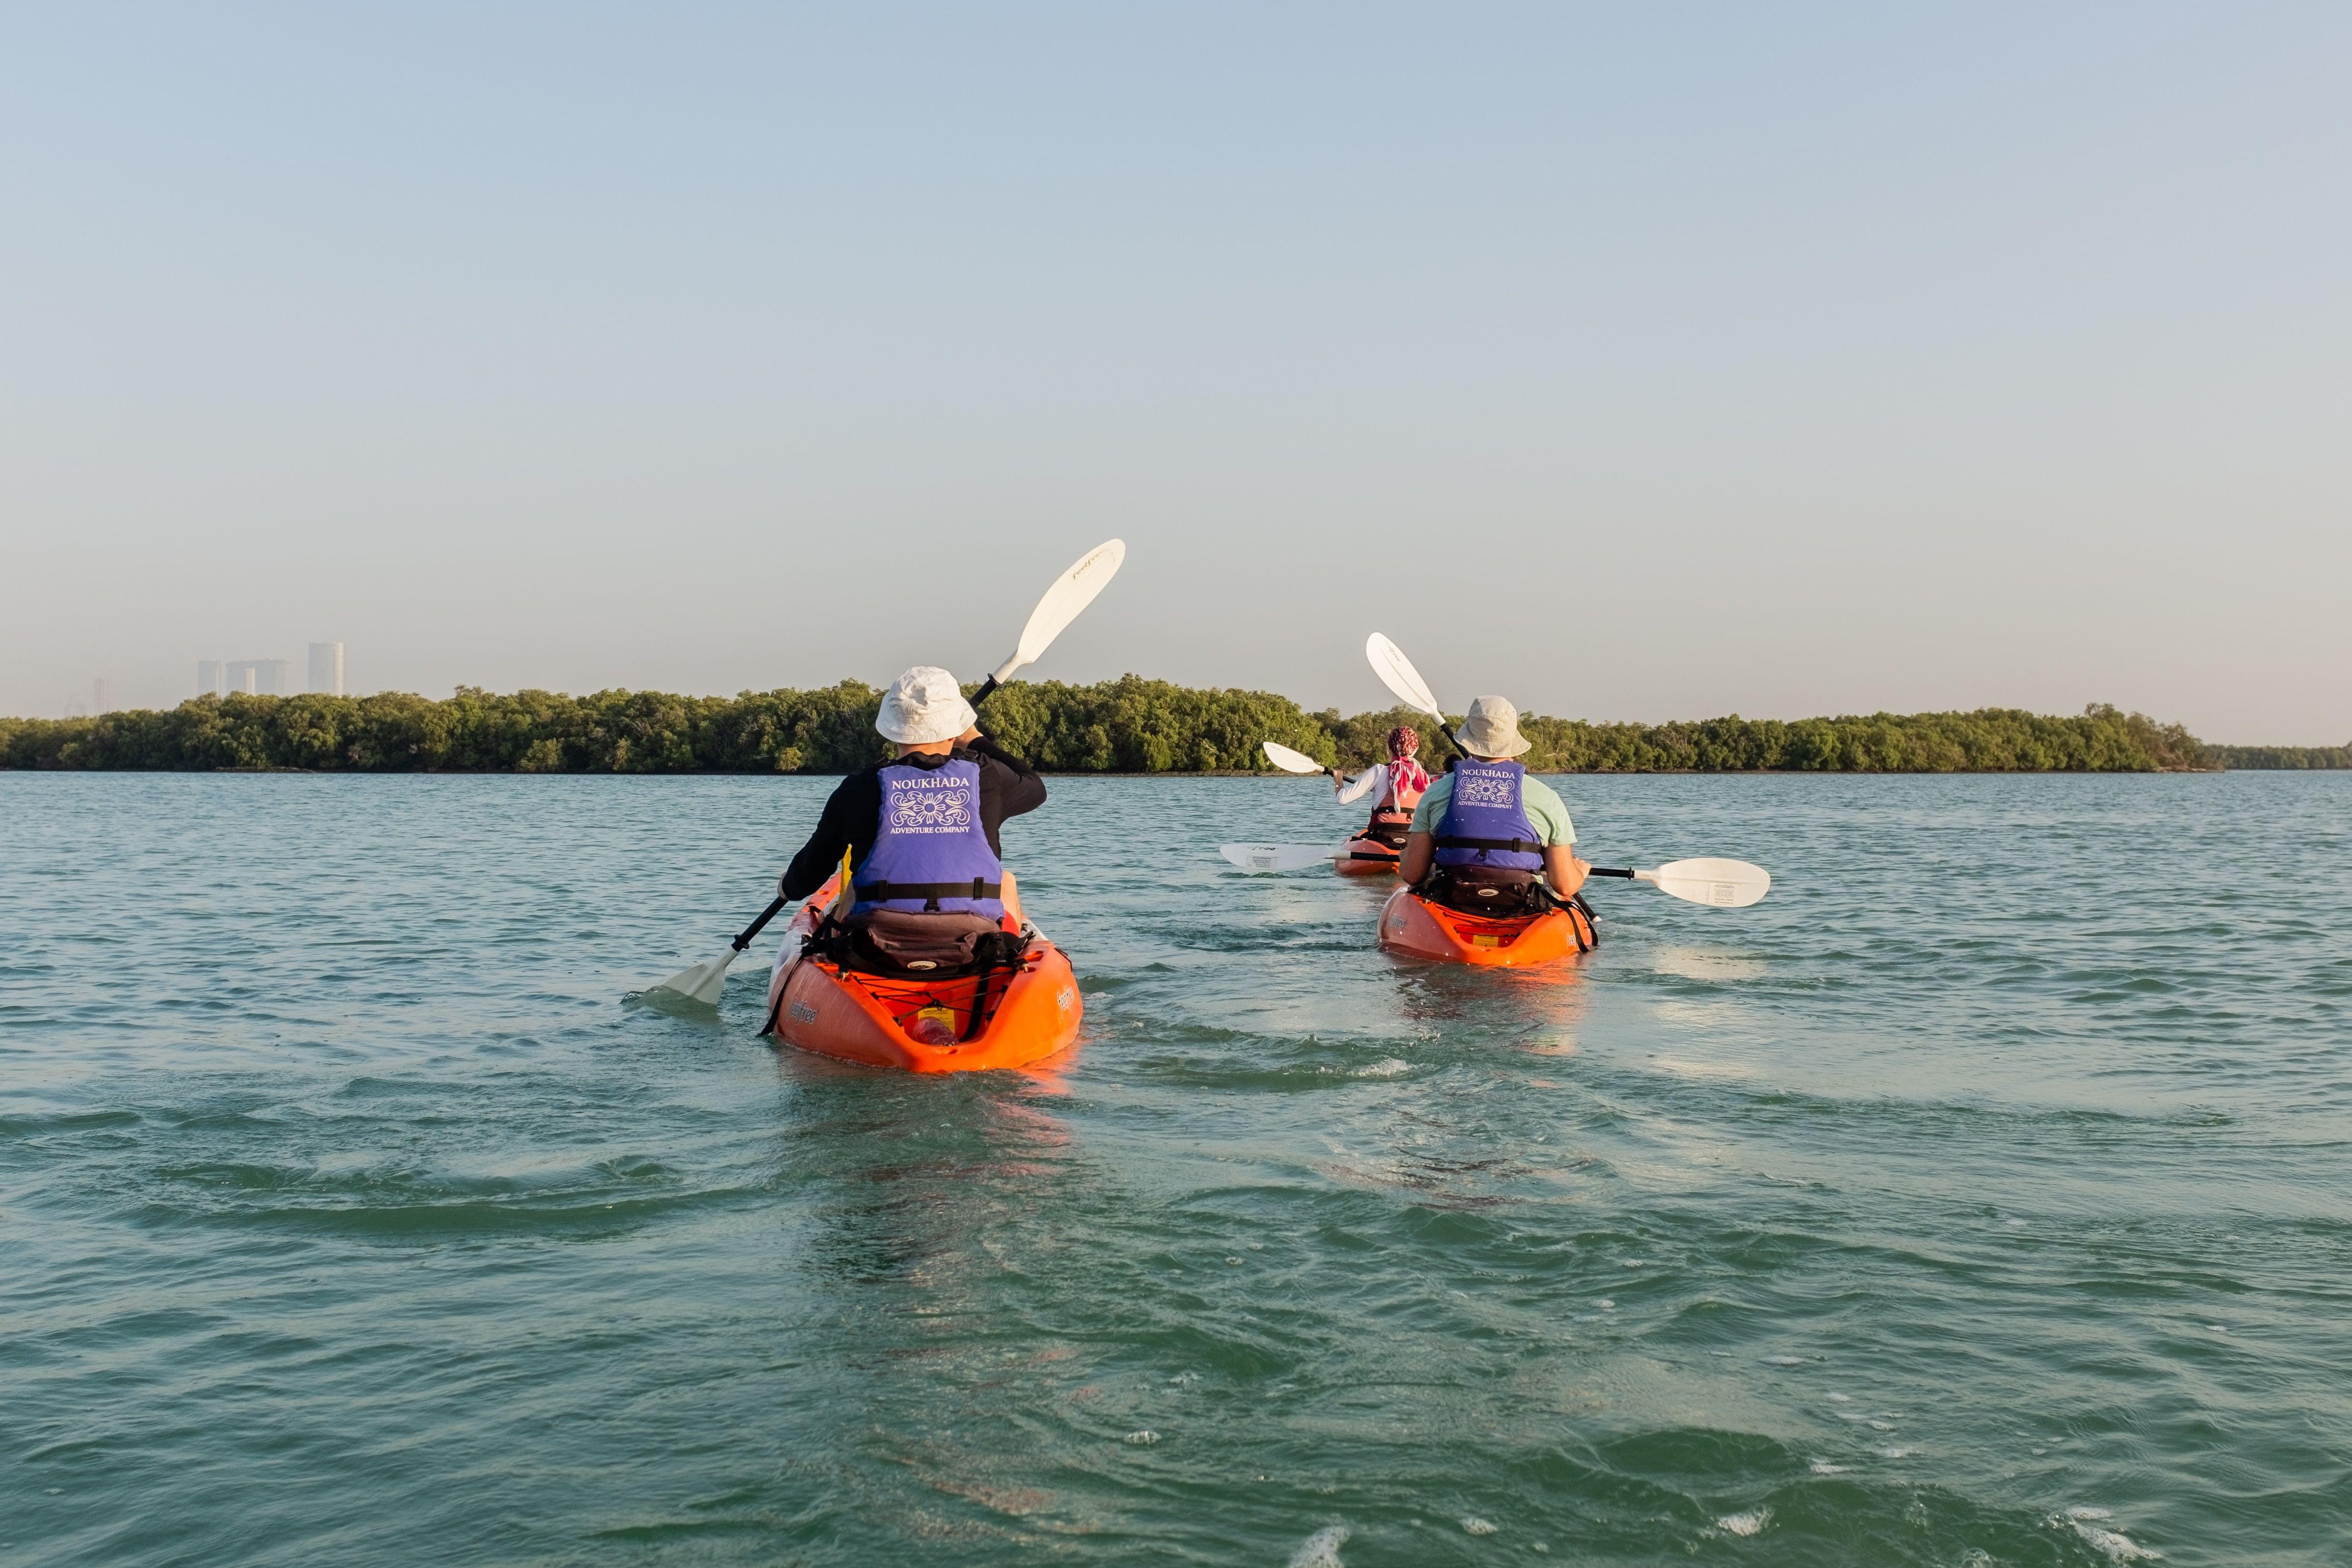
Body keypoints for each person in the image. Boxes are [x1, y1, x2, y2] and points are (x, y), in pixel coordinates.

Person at [777, 666, 1047, 973]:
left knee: (853, 884)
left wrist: (788, 888)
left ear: (893, 728)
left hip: (876, 941)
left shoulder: (860, 786)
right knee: (1006, 881)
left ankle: (846, 982)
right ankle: (1006, 974)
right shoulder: (987, 777)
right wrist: (975, 739)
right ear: (956, 727)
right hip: (974, 941)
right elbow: (1034, 786)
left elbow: (812, 870)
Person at [1397, 696, 1587, 912]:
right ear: (1514, 742)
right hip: (1520, 901)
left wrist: (1407, 857)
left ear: (1468, 740)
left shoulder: (1436, 791)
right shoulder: (1547, 798)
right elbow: (1565, 884)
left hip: (1453, 899)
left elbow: (1412, 874)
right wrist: (1580, 871)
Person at [1328, 726, 1431, 868]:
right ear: (1415, 749)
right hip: (1412, 839)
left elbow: (1342, 798)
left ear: (1389, 748)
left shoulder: (1379, 771)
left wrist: (1338, 780)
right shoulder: (1423, 777)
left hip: (1382, 838)